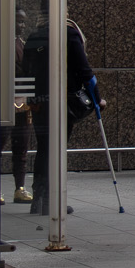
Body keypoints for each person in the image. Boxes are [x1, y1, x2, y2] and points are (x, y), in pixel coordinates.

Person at [23, 16, 97, 215]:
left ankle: (38, 197)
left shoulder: (35, 35)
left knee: (43, 147)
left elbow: (25, 71)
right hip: (62, 99)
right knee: (56, 148)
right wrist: (96, 99)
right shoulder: (69, 33)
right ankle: (52, 199)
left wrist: (32, 99)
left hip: (40, 101)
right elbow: (84, 70)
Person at [0, 9, 33, 204]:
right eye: (18, 21)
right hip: (4, 104)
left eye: (23, 22)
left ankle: (20, 188)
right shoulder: (2, 44)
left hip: (23, 104)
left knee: (21, 148)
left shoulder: (22, 44)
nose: (21, 25)